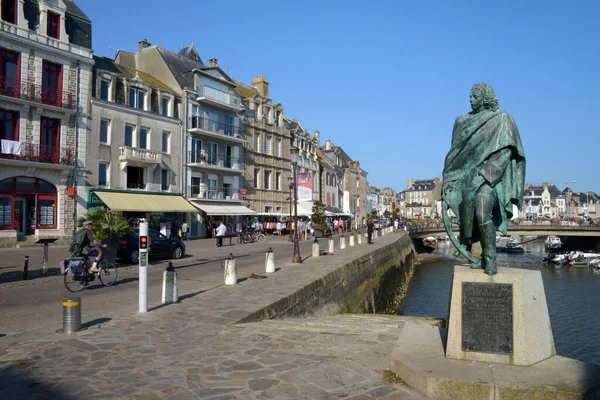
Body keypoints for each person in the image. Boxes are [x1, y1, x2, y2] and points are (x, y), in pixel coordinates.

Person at [442, 83, 526, 276]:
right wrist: (449, 180)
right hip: (466, 177)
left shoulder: (502, 119)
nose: (470, 99)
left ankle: (490, 258)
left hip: (492, 178)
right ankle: (470, 245)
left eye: (475, 95)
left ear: (485, 97)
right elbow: (456, 155)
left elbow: (506, 151)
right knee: (466, 201)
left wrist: (486, 175)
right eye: (470, 96)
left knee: (481, 207)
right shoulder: (462, 121)